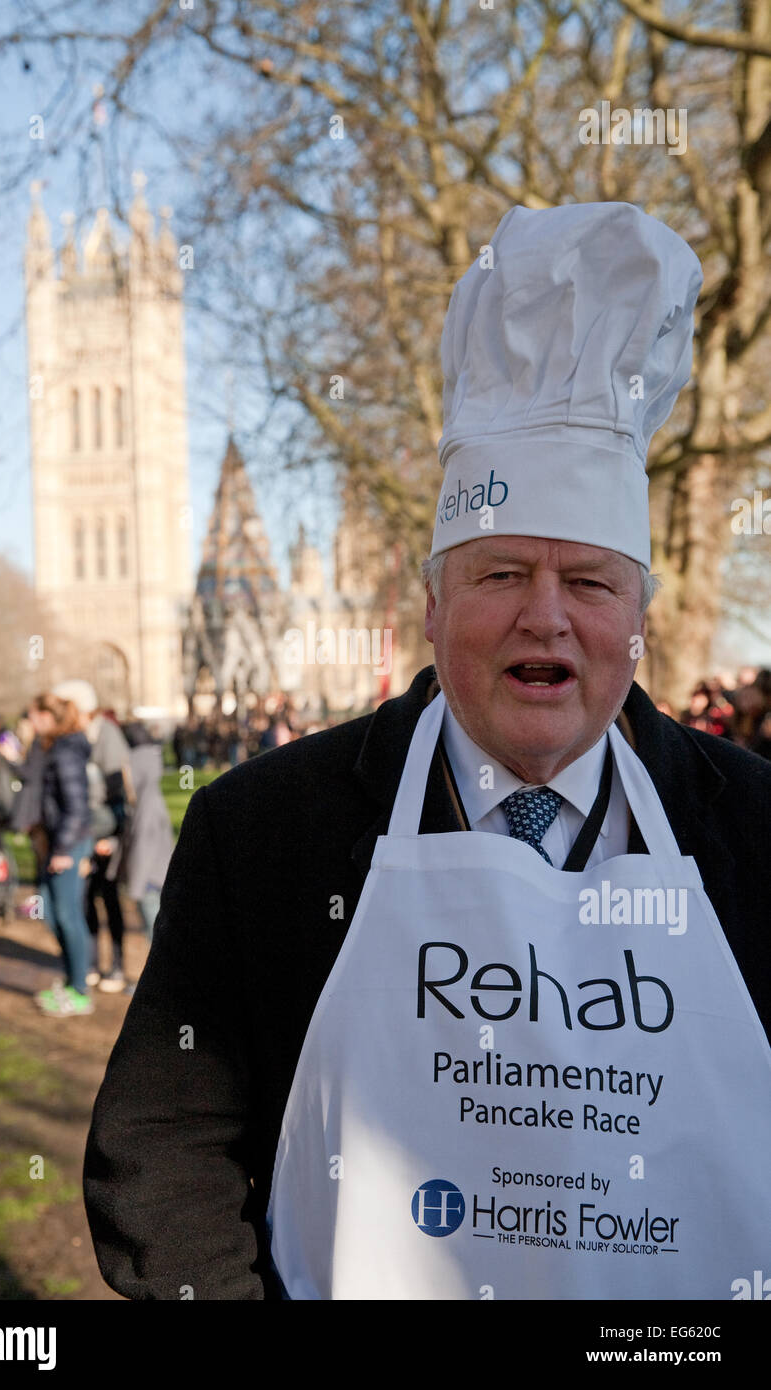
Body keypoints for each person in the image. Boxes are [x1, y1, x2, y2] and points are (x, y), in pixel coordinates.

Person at [84, 202, 771, 1300]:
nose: (545, 618)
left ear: (636, 616)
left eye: (589, 582)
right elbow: (161, 1150)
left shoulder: (753, 828)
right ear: (429, 603)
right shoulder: (260, 833)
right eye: (499, 575)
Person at [52, 682, 133, 993]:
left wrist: (113, 836)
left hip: (105, 833)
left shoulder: (106, 734)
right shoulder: (73, 737)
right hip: (85, 833)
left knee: (109, 899)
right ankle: (89, 963)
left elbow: (120, 792)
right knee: (85, 901)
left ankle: (116, 965)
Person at [28, 693, 94, 1017]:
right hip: (56, 841)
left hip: (68, 844)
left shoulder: (66, 750)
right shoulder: (52, 748)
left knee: (67, 914)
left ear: (48, 717)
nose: (30, 723)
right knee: (48, 909)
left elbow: (77, 806)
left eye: (34, 716)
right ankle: (72, 979)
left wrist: (64, 849)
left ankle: (80, 989)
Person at [116, 720, 174, 949]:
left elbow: (144, 845)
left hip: (151, 881)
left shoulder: (147, 805)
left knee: (156, 938)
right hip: (153, 878)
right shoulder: (147, 799)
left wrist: (136, 886)